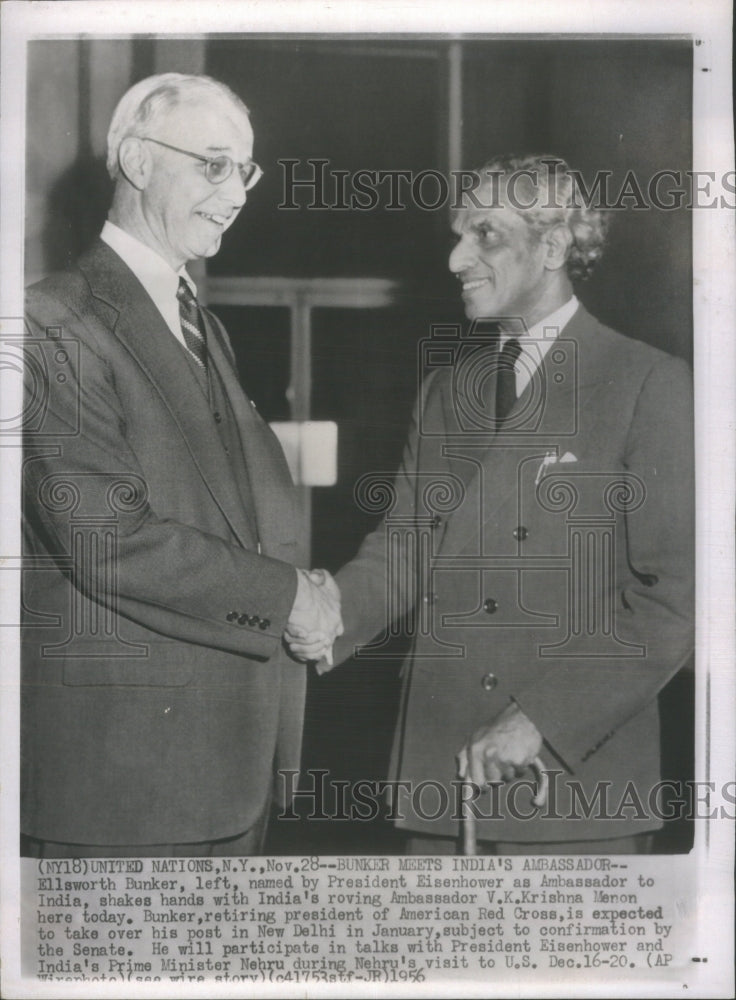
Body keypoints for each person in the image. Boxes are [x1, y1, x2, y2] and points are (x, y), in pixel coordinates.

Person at [290, 154, 694, 854]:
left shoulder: (647, 384)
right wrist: (324, 611)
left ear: (553, 246)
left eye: (484, 235)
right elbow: (407, 546)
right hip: (442, 784)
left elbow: (676, 599)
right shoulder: (446, 390)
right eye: (456, 234)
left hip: (569, 786)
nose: (455, 258)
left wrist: (539, 718)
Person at [21, 73, 342, 858]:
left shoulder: (199, 323)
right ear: (135, 160)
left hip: (222, 774)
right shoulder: (51, 318)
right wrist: (289, 598)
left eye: (246, 171)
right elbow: (108, 536)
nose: (235, 194)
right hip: (123, 790)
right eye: (213, 164)